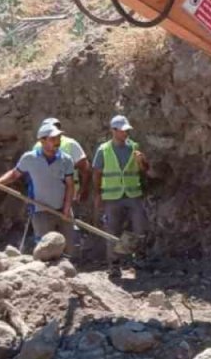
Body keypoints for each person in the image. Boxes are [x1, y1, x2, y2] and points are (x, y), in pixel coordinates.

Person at [0, 123, 76, 254]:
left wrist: (67, 208)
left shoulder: (66, 160)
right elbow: (15, 174)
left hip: (63, 210)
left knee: (68, 247)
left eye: (58, 138)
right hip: (40, 209)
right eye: (53, 139)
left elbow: (70, 185)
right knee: (45, 249)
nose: (57, 142)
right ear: (42, 140)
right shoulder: (29, 158)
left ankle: (67, 271)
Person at [92, 115, 148, 268]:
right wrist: (97, 195)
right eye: (122, 131)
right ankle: (114, 264)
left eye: (127, 130)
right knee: (112, 232)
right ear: (113, 131)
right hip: (112, 197)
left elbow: (144, 170)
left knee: (140, 228)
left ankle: (139, 258)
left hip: (132, 194)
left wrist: (142, 162)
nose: (125, 133)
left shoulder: (134, 147)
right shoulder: (104, 150)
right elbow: (97, 173)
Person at [34, 118, 91, 203]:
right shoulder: (37, 147)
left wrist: (83, 189)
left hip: (67, 195)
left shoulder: (70, 144)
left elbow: (85, 168)